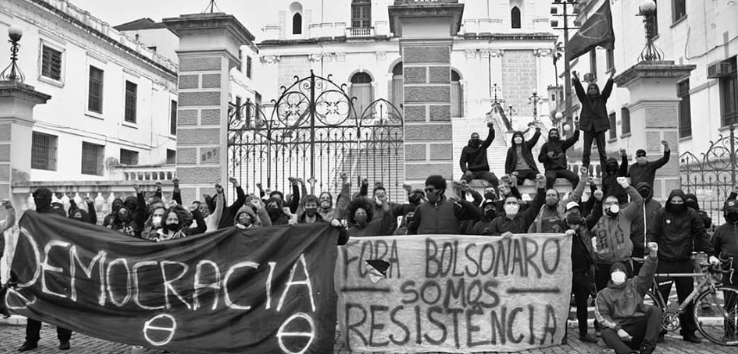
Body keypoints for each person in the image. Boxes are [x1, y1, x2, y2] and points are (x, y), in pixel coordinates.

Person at [647, 189, 718, 343]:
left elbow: (701, 233)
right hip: (664, 261)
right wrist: (650, 247)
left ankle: (688, 331)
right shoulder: (660, 213)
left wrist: (710, 253)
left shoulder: (691, 214)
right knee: (660, 300)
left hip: (684, 261)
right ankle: (659, 330)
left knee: (687, 298)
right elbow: (652, 232)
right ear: (669, 201)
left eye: (680, 202)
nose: (677, 204)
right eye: (674, 202)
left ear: (684, 202)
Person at [18, 188, 73, 352]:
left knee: (60, 305)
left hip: (57, 266)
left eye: (41, 199)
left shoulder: (56, 212)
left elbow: (58, 224)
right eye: (36, 199)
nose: (38, 202)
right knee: (34, 305)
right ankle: (31, 339)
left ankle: (64, 338)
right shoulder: (33, 216)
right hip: (37, 267)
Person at [595, 242, 662, 354]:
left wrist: (653, 255)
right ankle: (627, 352)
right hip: (618, 333)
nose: (618, 273)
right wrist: (618, 329)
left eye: (620, 271)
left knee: (655, 310)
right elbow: (603, 316)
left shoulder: (635, 285)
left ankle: (647, 349)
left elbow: (646, 274)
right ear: (610, 276)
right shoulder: (603, 294)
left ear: (626, 274)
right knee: (605, 331)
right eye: (615, 272)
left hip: (637, 328)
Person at [592, 177, 643, 294]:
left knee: (627, 295)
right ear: (603, 206)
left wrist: (626, 186)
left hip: (623, 262)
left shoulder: (625, 215)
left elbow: (638, 201)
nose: (612, 205)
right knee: (603, 295)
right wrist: (592, 241)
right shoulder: (597, 218)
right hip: (602, 265)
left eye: (615, 203)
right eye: (609, 203)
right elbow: (586, 230)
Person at [562, 202, 598, 343]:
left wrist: (597, 200)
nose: (574, 227)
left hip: (583, 274)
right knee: (564, 305)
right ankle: (562, 334)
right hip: (566, 274)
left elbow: (594, 215)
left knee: (582, 305)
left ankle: (584, 333)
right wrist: (565, 235)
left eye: (576, 224)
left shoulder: (584, 227)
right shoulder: (560, 227)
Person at [407, 175, 482, 235]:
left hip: (448, 251)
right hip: (427, 251)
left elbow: (476, 213)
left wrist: (463, 199)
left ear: (440, 190)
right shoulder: (420, 208)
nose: (427, 192)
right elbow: (412, 230)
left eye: (430, 190)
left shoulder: (453, 207)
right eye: (426, 190)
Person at [573, 70, 614, 167]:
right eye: (590, 88)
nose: (592, 89)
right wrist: (576, 79)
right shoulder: (584, 99)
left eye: (594, 88)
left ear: (597, 90)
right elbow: (579, 90)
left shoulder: (602, 98)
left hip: (600, 127)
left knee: (602, 151)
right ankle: (585, 169)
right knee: (586, 151)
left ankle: (605, 171)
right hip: (588, 127)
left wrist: (611, 77)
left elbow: (607, 90)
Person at [482, 174, 547, 237]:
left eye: (514, 203)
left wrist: (541, 187)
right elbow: (487, 236)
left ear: (518, 206)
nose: (511, 205)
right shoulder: (497, 221)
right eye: (509, 203)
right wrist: (500, 236)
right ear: (504, 206)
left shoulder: (524, 218)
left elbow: (536, 205)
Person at [712, 199, 738, 342]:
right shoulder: (720, 230)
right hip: (730, 273)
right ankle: (728, 332)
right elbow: (714, 250)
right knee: (729, 304)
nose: (733, 214)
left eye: (735, 212)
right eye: (730, 212)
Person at [629, 182, 662, 275]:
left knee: (652, 273)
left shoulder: (656, 205)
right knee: (637, 274)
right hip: (636, 246)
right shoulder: (632, 205)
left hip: (652, 245)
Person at [460, 122, 499, 187]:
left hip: (484, 171)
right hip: (472, 172)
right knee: (462, 181)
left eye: (477, 137)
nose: (475, 138)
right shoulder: (466, 149)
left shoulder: (483, 145)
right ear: (471, 138)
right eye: (474, 137)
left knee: (494, 179)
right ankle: (463, 197)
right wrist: (465, 170)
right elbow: (462, 162)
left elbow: (490, 138)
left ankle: (496, 196)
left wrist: (491, 128)